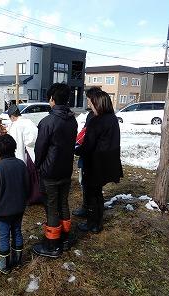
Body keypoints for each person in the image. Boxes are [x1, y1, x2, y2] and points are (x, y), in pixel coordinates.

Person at [32, 83, 78, 258]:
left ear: (52, 99)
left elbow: (40, 149)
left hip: (50, 171)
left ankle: (52, 245)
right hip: (66, 169)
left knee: (52, 206)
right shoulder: (72, 120)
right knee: (63, 203)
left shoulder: (47, 122)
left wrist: (39, 166)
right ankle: (65, 239)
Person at [74, 87, 123, 233]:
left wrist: (75, 150)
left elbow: (88, 146)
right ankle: (97, 222)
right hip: (107, 162)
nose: (90, 106)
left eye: (92, 103)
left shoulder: (97, 121)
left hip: (95, 164)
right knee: (98, 194)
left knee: (91, 195)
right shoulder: (112, 119)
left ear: (98, 104)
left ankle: (92, 223)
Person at [0, 134, 30, 274]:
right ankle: (17, 260)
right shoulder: (21, 165)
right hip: (19, 209)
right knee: (17, 231)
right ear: (15, 148)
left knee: (4, 236)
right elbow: (27, 186)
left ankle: (4, 265)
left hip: (3, 212)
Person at [72, 108, 94, 218]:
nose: (88, 103)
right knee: (87, 184)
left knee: (87, 184)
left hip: (89, 158)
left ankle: (88, 209)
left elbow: (87, 137)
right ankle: (88, 208)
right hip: (90, 157)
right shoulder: (95, 115)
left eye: (90, 100)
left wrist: (77, 149)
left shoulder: (95, 117)